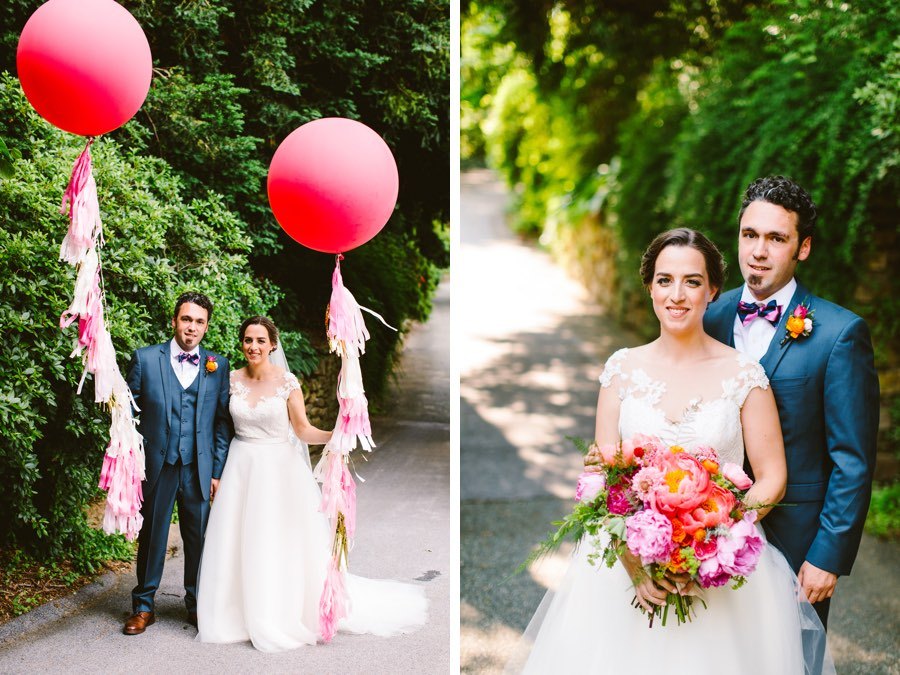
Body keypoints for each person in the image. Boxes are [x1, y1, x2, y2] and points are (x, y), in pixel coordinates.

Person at [512, 229, 832, 674]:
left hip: (722, 570)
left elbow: (773, 477)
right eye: (664, 281)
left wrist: (709, 541)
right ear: (649, 287)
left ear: (713, 290)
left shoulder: (744, 375)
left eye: (692, 281)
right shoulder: (620, 370)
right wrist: (635, 565)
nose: (676, 295)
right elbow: (608, 481)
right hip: (624, 569)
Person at [704, 176, 879, 627]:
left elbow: (853, 459)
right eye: (750, 235)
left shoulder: (840, 334)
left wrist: (828, 554)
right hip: (704, 534)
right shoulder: (709, 316)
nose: (758, 251)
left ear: (802, 248)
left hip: (797, 544)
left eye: (776, 238)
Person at [196, 316, 427, 652]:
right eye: (248, 339)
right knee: (238, 539)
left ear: (273, 344)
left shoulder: (288, 383)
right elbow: (219, 427)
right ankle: (236, 613)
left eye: (261, 340)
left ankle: (279, 612)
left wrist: (336, 435)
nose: (253, 347)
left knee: (278, 541)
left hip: (279, 469)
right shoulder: (229, 380)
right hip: (241, 467)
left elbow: (302, 430)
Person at [123, 292, 232, 635]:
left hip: (198, 467)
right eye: (186, 319)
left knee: (199, 538)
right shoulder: (144, 359)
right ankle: (144, 606)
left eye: (199, 321)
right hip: (157, 465)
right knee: (153, 535)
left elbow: (221, 424)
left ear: (206, 326)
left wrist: (216, 471)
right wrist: (132, 463)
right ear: (174, 321)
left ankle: (197, 605)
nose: (192, 327)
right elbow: (128, 416)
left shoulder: (218, 366)